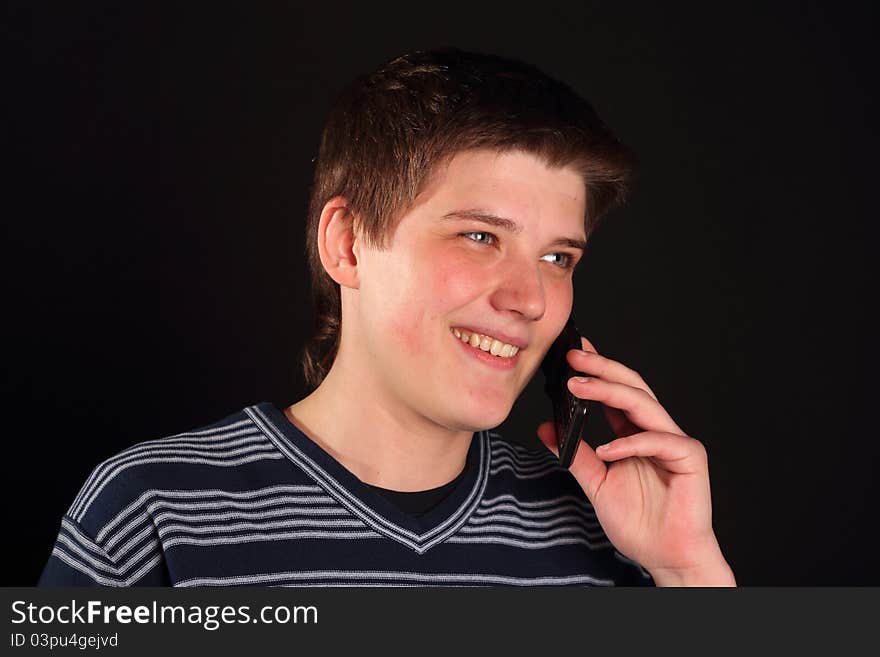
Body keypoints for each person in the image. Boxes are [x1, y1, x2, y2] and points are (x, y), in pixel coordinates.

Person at [38, 48, 736, 587]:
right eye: (480, 236)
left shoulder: (602, 529)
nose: (530, 298)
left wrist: (686, 568)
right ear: (346, 243)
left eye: (558, 257)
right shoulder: (150, 511)